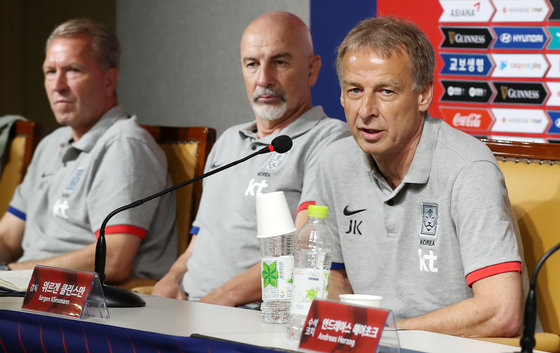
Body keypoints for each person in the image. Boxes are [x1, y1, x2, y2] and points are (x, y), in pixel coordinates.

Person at [306, 16, 523, 337]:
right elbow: (331, 275)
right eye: (354, 90)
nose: (365, 110)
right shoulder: (333, 162)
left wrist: (386, 335)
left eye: (386, 91)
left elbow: (501, 312)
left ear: (423, 95)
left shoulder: (468, 169)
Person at [152, 11, 350, 305]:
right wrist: (170, 279)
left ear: (312, 69)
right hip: (190, 307)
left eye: (279, 62)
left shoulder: (330, 140)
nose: (263, 79)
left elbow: (301, 250)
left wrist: (212, 304)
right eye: (252, 64)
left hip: (253, 316)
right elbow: (198, 242)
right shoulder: (229, 142)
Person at [0, 18, 177, 283]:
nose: (58, 85)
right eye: (50, 71)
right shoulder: (51, 144)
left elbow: (113, 259)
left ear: (109, 80)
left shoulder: (125, 145)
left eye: (72, 70)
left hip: (89, 301)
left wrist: (11, 274)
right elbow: (7, 237)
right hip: (26, 288)